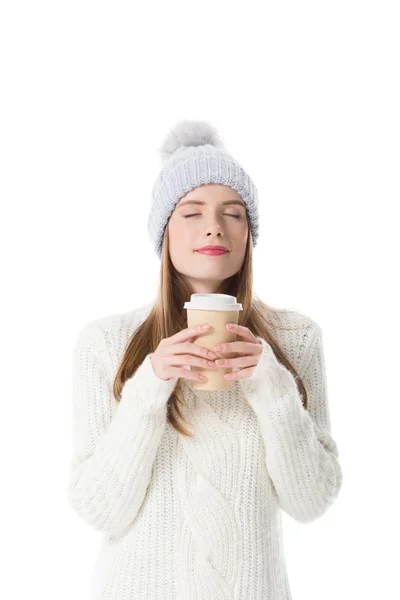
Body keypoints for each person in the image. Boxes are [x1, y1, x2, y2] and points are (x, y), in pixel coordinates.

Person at [67, 119, 343, 600]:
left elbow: (311, 502)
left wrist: (272, 388)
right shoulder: (106, 343)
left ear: (249, 233)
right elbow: (100, 509)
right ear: (164, 233)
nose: (214, 225)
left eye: (232, 213)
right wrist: (150, 384)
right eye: (191, 212)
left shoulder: (294, 340)